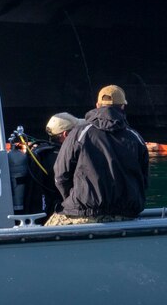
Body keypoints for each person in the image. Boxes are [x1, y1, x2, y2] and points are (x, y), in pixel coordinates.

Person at [46, 85, 149, 226]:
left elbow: (60, 175)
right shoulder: (136, 137)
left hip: (83, 212)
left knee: (44, 231)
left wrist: (72, 199)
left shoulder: (79, 133)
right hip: (126, 215)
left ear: (97, 105)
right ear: (123, 107)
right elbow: (143, 179)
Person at [21, 112, 81, 221]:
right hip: (54, 213)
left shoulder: (41, 153)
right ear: (65, 134)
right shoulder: (62, 158)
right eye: (77, 131)